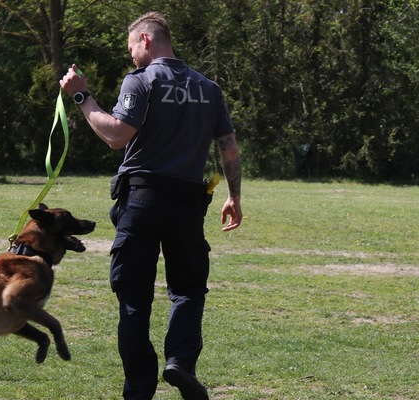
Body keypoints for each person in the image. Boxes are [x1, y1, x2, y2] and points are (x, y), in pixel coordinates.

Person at [59, 11, 241, 400]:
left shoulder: (141, 80)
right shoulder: (209, 88)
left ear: (144, 39)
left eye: (131, 49)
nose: (131, 58)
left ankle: (139, 391)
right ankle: (180, 362)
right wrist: (234, 196)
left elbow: (116, 136)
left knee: (134, 300)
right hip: (188, 204)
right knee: (189, 289)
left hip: (141, 199)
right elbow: (229, 148)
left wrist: (81, 96)